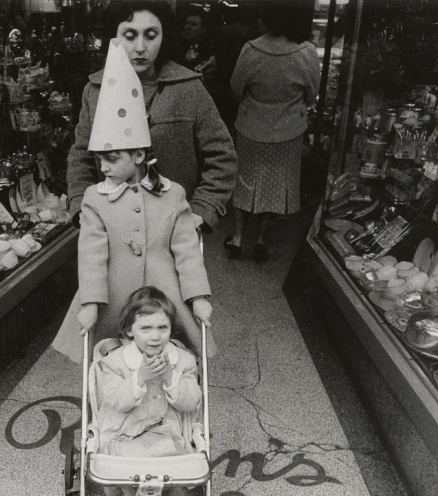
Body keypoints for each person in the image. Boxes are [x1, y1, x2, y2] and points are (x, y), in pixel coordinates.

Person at [53, 36, 213, 365]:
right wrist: (90, 303)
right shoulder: (95, 200)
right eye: (99, 160)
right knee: (109, 360)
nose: (103, 168)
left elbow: (186, 251)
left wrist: (198, 297)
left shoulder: (173, 195)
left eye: (111, 159)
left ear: (139, 154)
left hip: (164, 294)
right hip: (111, 297)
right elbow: (92, 255)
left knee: (173, 355)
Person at [66, 0, 236, 233]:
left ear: (163, 37)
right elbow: (81, 158)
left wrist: (200, 211)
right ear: (114, 38)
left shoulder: (188, 88)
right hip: (113, 230)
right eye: (129, 35)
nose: (140, 47)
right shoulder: (95, 91)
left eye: (151, 35)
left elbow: (222, 157)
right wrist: (82, 208)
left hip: (174, 232)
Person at [95, 286, 202, 496]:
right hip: (123, 432)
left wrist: (169, 378)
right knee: (112, 483)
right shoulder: (115, 362)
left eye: (162, 328)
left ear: (170, 329)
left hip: (166, 432)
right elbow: (116, 401)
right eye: (145, 329)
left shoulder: (184, 361)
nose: (155, 337)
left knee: (182, 482)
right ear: (130, 330)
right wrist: (140, 377)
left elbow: (191, 401)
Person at [225, 0, 319, 262]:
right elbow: (312, 95)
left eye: (262, 15)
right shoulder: (307, 51)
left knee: (245, 183)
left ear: (270, 18)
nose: (258, 20)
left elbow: (236, 87)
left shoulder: (251, 49)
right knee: (276, 188)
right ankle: (262, 241)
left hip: (250, 127)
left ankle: (237, 238)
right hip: (288, 131)